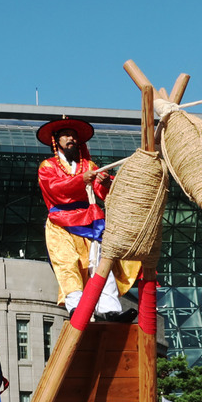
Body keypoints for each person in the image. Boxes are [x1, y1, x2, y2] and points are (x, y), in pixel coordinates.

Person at [36, 117, 136, 320]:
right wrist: (80, 180)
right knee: (68, 263)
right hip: (60, 222)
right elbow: (54, 190)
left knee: (101, 263)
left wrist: (107, 182)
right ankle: (76, 306)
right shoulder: (47, 166)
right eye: (65, 135)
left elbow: (101, 191)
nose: (70, 138)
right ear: (57, 140)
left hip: (90, 221)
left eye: (73, 135)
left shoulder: (88, 164)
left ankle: (110, 309)